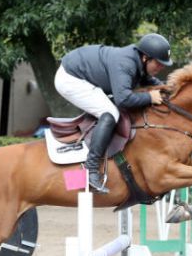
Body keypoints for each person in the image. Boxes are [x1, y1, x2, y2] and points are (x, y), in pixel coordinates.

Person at [54, 33, 173, 193]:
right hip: (70, 78)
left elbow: (150, 81)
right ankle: (90, 169)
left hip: (83, 74)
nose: (162, 67)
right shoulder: (126, 63)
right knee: (110, 113)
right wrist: (149, 97)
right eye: (159, 63)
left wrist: (169, 89)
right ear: (145, 57)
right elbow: (123, 100)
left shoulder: (137, 62)